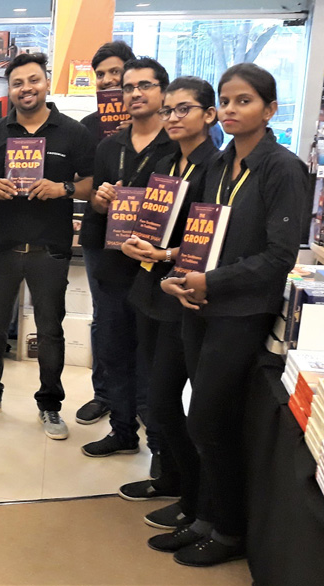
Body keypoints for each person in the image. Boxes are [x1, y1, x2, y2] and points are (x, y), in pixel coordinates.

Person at [160, 64, 306, 567]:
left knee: (209, 419)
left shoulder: (282, 168)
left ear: (269, 110)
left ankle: (229, 530)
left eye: (244, 100)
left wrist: (213, 282)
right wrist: (179, 274)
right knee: (204, 419)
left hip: (242, 311)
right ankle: (205, 516)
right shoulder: (221, 164)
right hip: (200, 304)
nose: (230, 109)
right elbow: (200, 236)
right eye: (225, 100)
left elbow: (280, 255)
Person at [0, 53, 95, 440]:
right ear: (9, 89)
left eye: (33, 80)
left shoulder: (72, 132)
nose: (26, 88)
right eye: (18, 83)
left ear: (46, 82)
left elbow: (93, 181)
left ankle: (50, 405)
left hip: (49, 249)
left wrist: (64, 188)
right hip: (1, 247)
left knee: (50, 331)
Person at [116, 77, 219, 534]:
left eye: (184, 109)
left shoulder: (215, 167)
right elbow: (144, 216)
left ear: (208, 115)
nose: (173, 118)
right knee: (155, 399)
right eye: (169, 111)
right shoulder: (165, 162)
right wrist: (133, 239)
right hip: (151, 289)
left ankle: (193, 500)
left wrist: (166, 253)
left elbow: (212, 238)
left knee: (163, 399)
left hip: (184, 296)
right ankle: (172, 480)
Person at [80, 57, 176, 459]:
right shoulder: (109, 146)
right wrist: (100, 200)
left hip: (157, 268)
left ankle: (159, 445)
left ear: (163, 92)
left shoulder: (176, 145)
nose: (135, 93)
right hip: (114, 263)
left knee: (152, 359)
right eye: (129, 87)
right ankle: (122, 431)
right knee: (113, 350)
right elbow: (95, 204)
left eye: (145, 86)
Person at [74, 40, 136, 428]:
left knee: (140, 316)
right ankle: (105, 394)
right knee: (105, 318)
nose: (109, 80)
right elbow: (80, 182)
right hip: (100, 234)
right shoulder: (89, 126)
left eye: (116, 72)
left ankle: (139, 400)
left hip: (146, 236)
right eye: (101, 74)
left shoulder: (160, 126)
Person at [80, 40, 135, 144]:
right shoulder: (86, 126)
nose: (106, 80)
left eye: (115, 71)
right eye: (100, 75)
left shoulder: (149, 122)